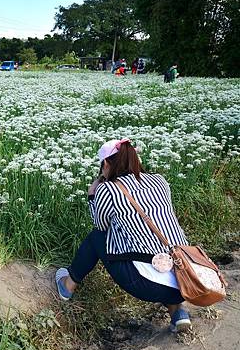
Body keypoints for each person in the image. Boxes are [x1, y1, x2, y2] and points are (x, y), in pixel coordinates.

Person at [55, 139, 192, 333]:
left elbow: (101, 225)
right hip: (185, 278)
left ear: (106, 164)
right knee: (158, 252)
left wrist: (92, 196)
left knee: (96, 237)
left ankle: (68, 285)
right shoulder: (160, 180)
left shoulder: (108, 189)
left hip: (145, 283)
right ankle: (178, 312)